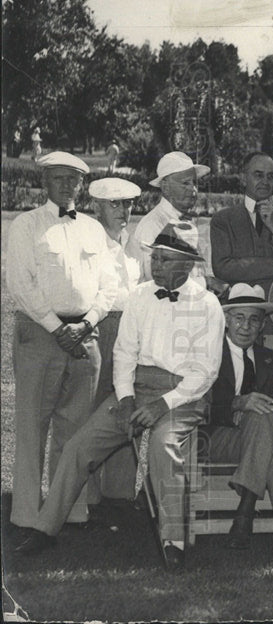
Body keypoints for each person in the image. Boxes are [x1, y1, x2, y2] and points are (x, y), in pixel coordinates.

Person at [13, 221, 226, 572]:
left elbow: (205, 373)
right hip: (135, 389)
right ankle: (44, 527)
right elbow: (125, 353)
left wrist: (162, 405)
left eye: (163, 259)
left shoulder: (208, 305)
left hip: (183, 396)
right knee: (79, 446)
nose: (154, 265)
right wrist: (126, 399)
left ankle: (172, 539)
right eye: (154, 257)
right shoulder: (141, 295)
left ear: (187, 265)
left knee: (163, 445)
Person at [6, 152, 118, 532]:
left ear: (82, 185)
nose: (66, 186)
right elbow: (21, 284)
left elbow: (109, 285)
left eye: (73, 180)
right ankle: (25, 513)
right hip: (40, 333)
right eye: (58, 179)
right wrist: (57, 329)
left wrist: (87, 323)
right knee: (33, 426)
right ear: (45, 183)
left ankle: (68, 508)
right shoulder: (26, 225)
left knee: (75, 429)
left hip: (86, 337)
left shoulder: (92, 229)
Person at [204, 283, 273, 560]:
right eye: (239, 318)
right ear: (226, 320)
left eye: (254, 319)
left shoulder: (272, 359)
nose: (245, 326)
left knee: (268, 421)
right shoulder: (208, 355)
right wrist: (237, 403)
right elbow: (199, 405)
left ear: (262, 324)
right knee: (268, 423)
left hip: (257, 440)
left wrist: (254, 411)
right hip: (218, 436)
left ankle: (246, 514)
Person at [211, 151, 273, 346]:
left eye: (270, 176)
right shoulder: (223, 220)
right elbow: (222, 267)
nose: (265, 181)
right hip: (238, 323)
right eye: (258, 175)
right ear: (243, 177)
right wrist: (272, 265)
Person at [86, 177, 143, 502]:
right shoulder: (90, 243)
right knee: (94, 408)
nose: (124, 211)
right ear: (97, 206)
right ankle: (88, 494)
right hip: (101, 328)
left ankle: (120, 494)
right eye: (115, 204)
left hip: (131, 332)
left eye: (128, 204)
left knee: (127, 405)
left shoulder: (133, 245)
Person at [126, 151, 223, 294]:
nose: (193, 189)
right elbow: (158, 281)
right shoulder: (152, 225)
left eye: (194, 182)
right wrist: (207, 282)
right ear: (165, 187)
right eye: (185, 183)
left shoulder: (184, 220)